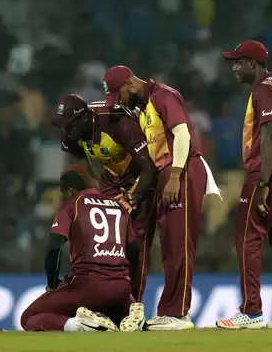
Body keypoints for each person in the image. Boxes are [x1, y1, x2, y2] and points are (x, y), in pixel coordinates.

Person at [104, 65, 221, 330]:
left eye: (118, 95)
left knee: (178, 243)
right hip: (165, 171)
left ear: (128, 85)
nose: (118, 101)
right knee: (169, 243)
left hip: (182, 168)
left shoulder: (162, 95)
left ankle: (178, 313)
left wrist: (176, 175)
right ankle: (170, 310)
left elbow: (182, 133)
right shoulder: (144, 106)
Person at [216, 41, 272, 329]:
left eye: (238, 62)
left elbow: (271, 136)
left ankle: (251, 312)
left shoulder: (263, 89)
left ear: (252, 63)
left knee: (248, 238)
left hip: (269, 168)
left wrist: (263, 181)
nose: (235, 68)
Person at [51, 94, 157, 302]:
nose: (66, 131)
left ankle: (133, 304)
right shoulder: (71, 134)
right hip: (111, 179)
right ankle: (101, 300)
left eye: (69, 125)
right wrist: (98, 192)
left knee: (136, 241)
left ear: (84, 118)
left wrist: (132, 196)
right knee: (102, 238)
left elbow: (148, 166)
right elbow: (82, 162)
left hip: (141, 176)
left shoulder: (118, 123)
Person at [20, 164, 145, 333]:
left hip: (87, 286)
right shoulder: (118, 207)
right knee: (112, 320)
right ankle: (128, 316)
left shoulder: (72, 206)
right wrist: (127, 286)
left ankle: (79, 325)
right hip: (120, 290)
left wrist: (52, 284)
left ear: (70, 190)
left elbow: (54, 248)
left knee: (29, 317)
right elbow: (134, 251)